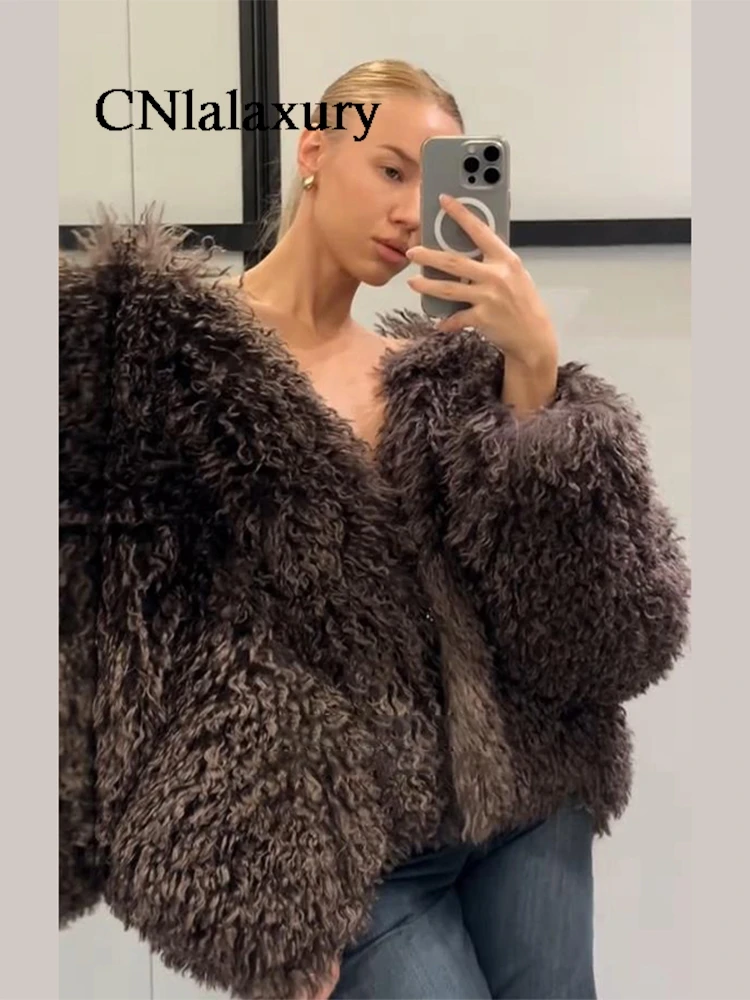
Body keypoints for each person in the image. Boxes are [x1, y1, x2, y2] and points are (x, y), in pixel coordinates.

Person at [58, 60, 690, 1000]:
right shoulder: (163, 360)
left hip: (527, 803)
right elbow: (113, 643)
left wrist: (533, 375)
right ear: (314, 150)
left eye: (431, 187)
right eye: (390, 169)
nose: (408, 213)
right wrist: (263, 897)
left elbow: (591, 631)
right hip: (349, 850)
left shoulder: (437, 375)